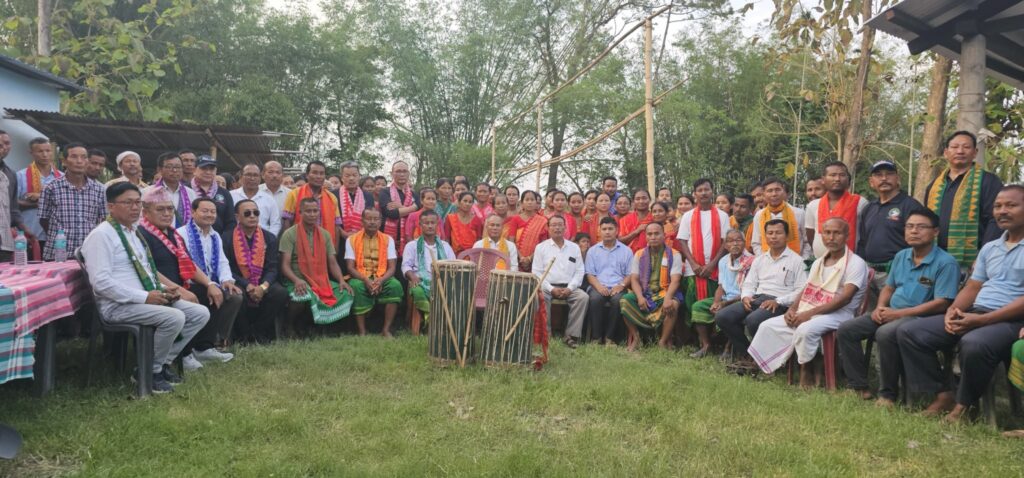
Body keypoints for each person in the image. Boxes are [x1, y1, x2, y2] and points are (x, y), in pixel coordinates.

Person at [898, 185, 1024, 423]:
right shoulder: (990, 247)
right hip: (976, 312)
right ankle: (943, 393)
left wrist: (983, 320)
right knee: (910, 331)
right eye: (998, 206)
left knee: (974, 343)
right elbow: (974, 286)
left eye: (1011, 205)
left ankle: (963, 406)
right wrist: (952, 311)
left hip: (1011, 321)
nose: (1002, 211)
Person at [81, 182, 209, 393]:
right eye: (128, 203)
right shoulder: (101, 235)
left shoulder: (132, 232)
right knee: (173, 317)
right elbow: (101, 283)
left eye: (137, 203)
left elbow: (145, 272)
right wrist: (144, 297)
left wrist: (162, 289)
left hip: (142, 297)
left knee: (199, 313)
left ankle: (159, 364)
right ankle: (149, 371)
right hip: (117, 305)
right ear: (111, 206)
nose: (135, 208)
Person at [838, 209, 958, 405]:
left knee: (885, 333)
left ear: (935, 232)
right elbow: (889, 286)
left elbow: (942, 303)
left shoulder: (946, 262)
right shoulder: (902, 256)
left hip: (920, 319)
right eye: (909, 226)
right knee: (847, 329)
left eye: (921, 227)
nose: (914, 231)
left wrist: (899, 314)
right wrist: (880, 307)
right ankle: (859, 386)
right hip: (891, 313)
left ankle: (888, 394)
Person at [748, 218, 868, 387]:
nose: (831, 237)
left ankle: (806, 370)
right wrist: (793, 309)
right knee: (767, 325)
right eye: (827, 233)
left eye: (837, 233)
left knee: (805, 329)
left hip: (840, 313)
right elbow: (806, 289)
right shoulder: (819, 261)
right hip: (810, 308)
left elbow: (845, 298)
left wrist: (807, 315)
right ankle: (769, 367)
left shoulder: (856, 263)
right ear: (821, 236)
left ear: (847, 236)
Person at [716, 219, 807, 367]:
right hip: (757, 299)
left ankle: (764, 359)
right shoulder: (760, 260)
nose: (773, 236)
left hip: (779, 303)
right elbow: (750, 283)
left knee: (753, 320)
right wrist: (746, 297)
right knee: (723, 316)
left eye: (778, 233)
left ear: (787, 236)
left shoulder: (797, 261)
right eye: (770, 233)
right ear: (765, 236)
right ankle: (748, 355)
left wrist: (778, 301)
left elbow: (801, 291)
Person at [176, 197, 244, 369]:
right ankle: (196, 348)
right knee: (207, 293)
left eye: (213, 212)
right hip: (189, 283)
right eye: (205, 211)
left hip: (212, 281)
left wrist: (227, 280)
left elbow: (222, 261)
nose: (209, 215)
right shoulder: (182, 234)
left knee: (235, 296)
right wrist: (210, 285)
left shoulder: (215, 236)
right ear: (193, 212)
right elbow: (186, 266)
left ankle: (214, 343)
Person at [924, 131, 1003, 271]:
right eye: (954, 147)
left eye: (966, 147)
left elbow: (995, 220)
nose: (960, 151)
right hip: (934, 259)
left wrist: (984, 256)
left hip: (973, 262)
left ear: (975, 152)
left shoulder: (988, 181)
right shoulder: (934, 186)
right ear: (946, 152)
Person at [280, 198, 354, 334]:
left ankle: (323, 327)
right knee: (301, 296)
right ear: (300, 212)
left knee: (346, 293)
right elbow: (284, 265)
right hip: (296, 280)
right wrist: (297, 280)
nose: (312, 214)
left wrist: (341, 280)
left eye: (315, 211)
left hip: (321, 280)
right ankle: (289, 326)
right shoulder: (289, 234)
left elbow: (332, 262)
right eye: (308, 211)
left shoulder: (325, 234)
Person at [223, 199, 288, 344]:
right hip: (238, 281)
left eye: (255, 213)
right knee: (237, 296)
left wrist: (263, 287)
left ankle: (259, 332)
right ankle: (244, 335)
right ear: (237, 217)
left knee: (280, 293)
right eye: (247, 213)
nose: (252, 216)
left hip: (263, 282)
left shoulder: (269, 237)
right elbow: (227, 269)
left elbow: (272, 267)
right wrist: (247, 285)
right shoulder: (227, 238)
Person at [857, 161, 923, 288]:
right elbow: (862, 242)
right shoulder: (869, 208)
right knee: (870, 308)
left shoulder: (911, 206)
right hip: (868, 273)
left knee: (894, 307)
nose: (884, 178)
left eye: (889, 174)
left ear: (898, 179)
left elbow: (921, 242)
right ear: (871, 182)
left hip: (898, 273)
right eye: (878, 175)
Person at [690, 229, 753, 358]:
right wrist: (716, 302)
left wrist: (724, 304)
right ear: (725, 245)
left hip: (743, 300)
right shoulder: (723, 260)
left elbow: (750, 291)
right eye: (730, 241)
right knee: (697, 306)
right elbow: (721, 286)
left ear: (744, 242)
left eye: (738, 240)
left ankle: (728, 348)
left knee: (726, 313)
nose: (734, 244)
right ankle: (706, 345)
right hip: (725, 298)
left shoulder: (752, 261)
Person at [621, 222, 684, 351]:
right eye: (649, 234)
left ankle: (662, 341)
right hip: (645, 292)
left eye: (657, 233)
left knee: (672, 304)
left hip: (666, 291)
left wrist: (668, 298)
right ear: (645, 236)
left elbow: (675, 280)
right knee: (624, 300)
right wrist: (639, 297)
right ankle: (636, 338)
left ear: (664, 235)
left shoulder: (674, 254)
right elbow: (634, 279)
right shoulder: (639, 254)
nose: (653, 237)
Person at [38, 142, 105, 260]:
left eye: (83, 157)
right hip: (57, 253)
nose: (79, 161)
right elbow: (44, 219)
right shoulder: (51, 187)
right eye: (74, 157)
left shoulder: (99, 190)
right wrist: (60, 236)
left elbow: (102, 220)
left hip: (88, 254)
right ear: (64, 161)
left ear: (87, 161)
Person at [345, 208, 403, 337]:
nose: (372, 222)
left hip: (382, 276)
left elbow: (392, 267)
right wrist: (366, 280)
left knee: (395, 286)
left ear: (380, 222)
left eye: (376, 219)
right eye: (369, 219)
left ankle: (386, 330)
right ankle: (362, 331)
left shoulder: (388, 239)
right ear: (362, 221)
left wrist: (380, 280)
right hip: (360, 276)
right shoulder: (352, 239)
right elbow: (350, 267)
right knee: (356, 286)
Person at [677, 178, 730, 318]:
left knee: (714, 301)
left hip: (715, 268)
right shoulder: (688, 216)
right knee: (691, 301)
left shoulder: (723, 216)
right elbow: (682, 241)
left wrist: (712, 264)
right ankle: (697, 338)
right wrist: (694, 264)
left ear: (712, 192)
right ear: (695, 194)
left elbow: (726, 242)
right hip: (693, 268)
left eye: (706, 189)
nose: (703, 193)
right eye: (700, 190)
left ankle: (713, 336)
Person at [532, 215, 587, 348]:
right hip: (547, 286)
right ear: (548, 228)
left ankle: (571, 336)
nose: (557, 228)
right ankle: (546, 334)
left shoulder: (574, 247)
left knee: (583, 297)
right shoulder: (541, 247)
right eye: (554, 225)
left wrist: (570, 288)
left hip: (569, 287)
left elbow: (580, 271)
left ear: (565, 227)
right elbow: (536, 273)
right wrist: (551, 289)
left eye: (560, 225)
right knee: (540, 296)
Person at [402, 210, 455, 335]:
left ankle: (440, 325)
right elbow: (405, 265)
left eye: (433, 223)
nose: (430, 226)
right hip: (419, 280)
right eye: (426, 223)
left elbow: (453, 264)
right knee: (418, 291)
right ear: (420, 225)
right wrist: (413, 277)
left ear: (437, 225)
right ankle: (427, 323)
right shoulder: (412, 245)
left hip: (441, 280)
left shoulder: (445, 246)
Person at [584, 217, 633, 345]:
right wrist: (599, 287)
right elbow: (590, 274)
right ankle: (596, 337)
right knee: (595, 299)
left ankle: (610, 338)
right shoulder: (593, 251)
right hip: (598, 286)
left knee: (618, 301)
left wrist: (621, 285)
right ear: (599, 231)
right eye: (604, 229)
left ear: (616, 230)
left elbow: (630, 274)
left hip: (618, 286)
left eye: (610, 229)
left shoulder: (626, 251)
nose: (607, 232)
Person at [805, 162, 868, 259]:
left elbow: (865, 235)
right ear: (823, 180)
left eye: (842, 175)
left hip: (850, 263)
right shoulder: (813, 206)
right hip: (821, 262)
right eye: (832, 175)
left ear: (848, 179)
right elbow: (811, 236)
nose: (837, 179)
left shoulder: (860, 203)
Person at [281, 161, 342, 249]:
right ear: (307, 175)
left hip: (325, 248)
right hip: (299, 247)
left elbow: (336, 225)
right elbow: (287, 222)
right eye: (314, 173)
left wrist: (334, 251)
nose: (318, 176)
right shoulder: (294, 194)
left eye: (322, 173)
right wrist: (288, 248)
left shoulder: (332, 198)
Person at [17, 138, 63, 245]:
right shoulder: (20, 176)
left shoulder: (62, 177)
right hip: (29, 234)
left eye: (48, 150)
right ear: (31, 153)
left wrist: (40, 196)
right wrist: (40, 202)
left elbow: (65, 203)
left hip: (56, 236)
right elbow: (12, 204)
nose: (45, 154)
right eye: (40, 151)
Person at [750, 178, 805, 256]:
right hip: (767, 263)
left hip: (795, 263)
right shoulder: (759, 215)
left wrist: (803, 261)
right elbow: (756, 243)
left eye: (778, 190)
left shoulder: (799, 213)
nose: (774, 194)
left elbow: (807, 242)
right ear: (764, 194)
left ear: (783, 191)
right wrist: (765, 260)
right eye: (770, 191)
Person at [230, 163, 282, 235]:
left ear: (260, 178)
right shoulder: (231, 196)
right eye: (248, 175)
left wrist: (269, 240)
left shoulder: (269, 199)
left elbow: (275, 224)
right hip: (235, 239)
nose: (252, 178)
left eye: (255, 175)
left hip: (262, 241)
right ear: (241, 177)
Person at [0, 130, 28, 261]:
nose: (3, 147)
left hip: (4, 243)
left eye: (7, 143)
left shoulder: (10, 174)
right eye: (0, 144)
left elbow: (13, 209)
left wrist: (26, 231)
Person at [190, 155, 236, 234]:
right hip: (188, 239)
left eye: (211, 169)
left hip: (217, 240)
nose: (208, 172)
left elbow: (231, 222)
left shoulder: (224, 193)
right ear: (194, 170)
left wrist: (222, 241)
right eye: (204, 168)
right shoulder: (185, 189)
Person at [151, 152, 197, 229]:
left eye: (178, 167)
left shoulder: (191, 193)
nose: (175, 170)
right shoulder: (148, 192)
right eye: (169, 167)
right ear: (159, 170)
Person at [336, 161, 375, 242]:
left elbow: (370, 218)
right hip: (339, 239)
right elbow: (331, 219)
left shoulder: (368, 196)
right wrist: (342, 233)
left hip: (363, 239)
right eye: (347, 175)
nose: (351, 178)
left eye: (354, 175)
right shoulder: (334, 195)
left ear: (359, 177)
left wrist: (359, 233)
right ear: (342, 178)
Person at [511, 190, 548, 272]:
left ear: (536, 203)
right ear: (521, 203)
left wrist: (530, 258)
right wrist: (521, 258)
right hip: (517, 259)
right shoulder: (515, 219)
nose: (530, 202)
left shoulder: (542, 221)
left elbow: (543, 244)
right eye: (527, 200)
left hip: (536, 260)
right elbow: (511, 241)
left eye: (532, 200)